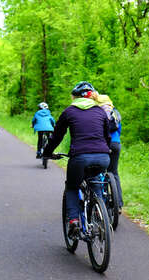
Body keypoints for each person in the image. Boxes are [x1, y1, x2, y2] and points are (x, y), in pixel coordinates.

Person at [43, 81, 111, 237]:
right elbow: (107, 136)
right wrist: (105, 151)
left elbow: (56, 137)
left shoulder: (69, 111)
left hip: (80, 157)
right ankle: (101, 217)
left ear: (74, 97)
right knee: (95, 183)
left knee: (72, 187)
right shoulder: (100, 112)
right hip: (103, 157)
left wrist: (48, 152)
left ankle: (74, 221)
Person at [96, 94, 124, 212]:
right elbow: (119, 129)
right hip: (116, 143)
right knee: (114, 172)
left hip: (103, 144)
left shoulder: (97, 112)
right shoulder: (115, 112)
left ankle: (102, 200)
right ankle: (118, 203)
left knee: (100, 171)